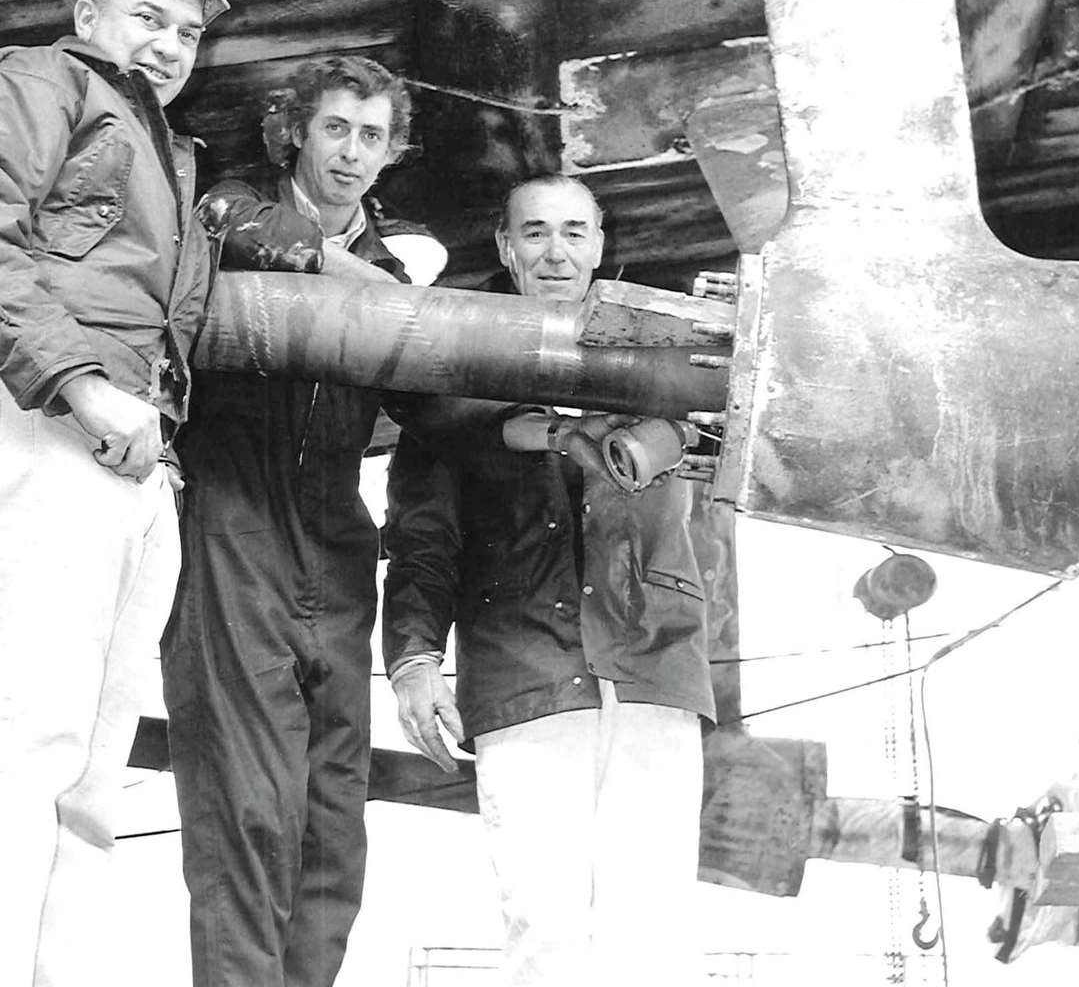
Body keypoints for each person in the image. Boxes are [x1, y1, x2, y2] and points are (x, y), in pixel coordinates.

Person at [0, 0, 227, 983]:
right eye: (148, 15)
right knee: (34, 743)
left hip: (127, 452)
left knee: (92, 779)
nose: (169, 45)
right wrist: (86, 385)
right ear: (84, 7)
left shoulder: (165, 147)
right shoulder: (29, 82)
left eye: (187, 29)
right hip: (47, 419)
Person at [381, 174, 716, 987]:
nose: (555, 252)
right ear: (503, 247)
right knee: (544, 930)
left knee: (653, 930)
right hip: (525, 673)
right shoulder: (453, 378)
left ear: (601, 244)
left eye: (573, 232)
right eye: (533, 233)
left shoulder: (670, 357)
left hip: (650, 669)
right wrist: (414, 661)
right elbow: (424, 544)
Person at [161, 55, 446, 987]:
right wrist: (353, 274)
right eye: (335, 129)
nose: (352, 153)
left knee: (333, 811)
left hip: (334, 536)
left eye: (371, 136)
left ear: (390, 151)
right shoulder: (237, 203)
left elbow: (430, 366)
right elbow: (231, 223)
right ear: (296, 131)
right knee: (246, 802)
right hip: (233, 522)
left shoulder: (404, 252)